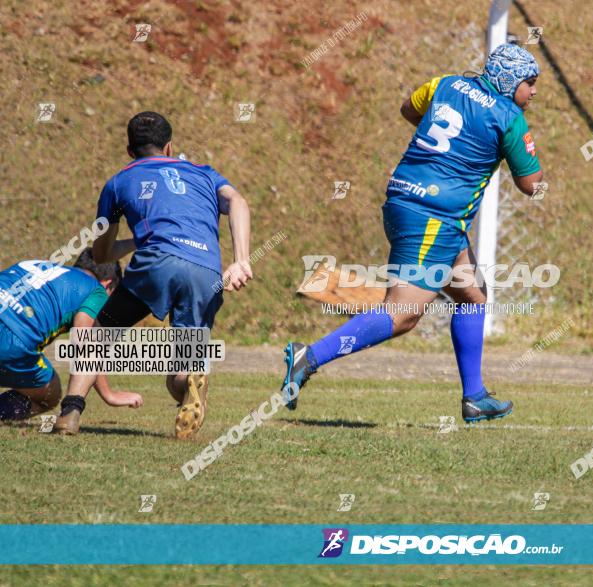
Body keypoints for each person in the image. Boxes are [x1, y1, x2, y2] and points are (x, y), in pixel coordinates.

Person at [282, 44, 543, 422]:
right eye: (530, 83)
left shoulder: (446, 83)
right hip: (433, 219)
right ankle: (311, 356)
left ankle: (475, 397)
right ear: (510, 80)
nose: (533, 92)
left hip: (408, 202)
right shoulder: (509, 117)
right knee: (402, 314)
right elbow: (530, 185)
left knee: (472, 294)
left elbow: (409, 108)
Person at [55, 111, 252, 437]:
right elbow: (238, 201)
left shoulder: (118, 182)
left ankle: (70, 412)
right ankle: (191, 381)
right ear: (170, 147)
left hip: (157, 262)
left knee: (99, 334)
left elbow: (102, 253)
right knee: (184, 363)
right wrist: (242, 260)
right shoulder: (204, 173)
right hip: (206, 270)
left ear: (129, 151)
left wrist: (137, 240)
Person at [0, 249, 142, 423]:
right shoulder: (96, 291)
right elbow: (85, 343)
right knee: (51, 393)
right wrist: (109, 395)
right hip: (11, 341)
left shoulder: (39, 264)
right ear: (108, 284)